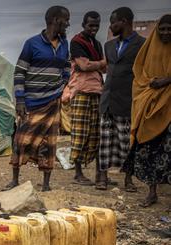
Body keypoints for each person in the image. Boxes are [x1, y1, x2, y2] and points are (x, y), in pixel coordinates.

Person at [6, 6, 70, 192]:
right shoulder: (32, 43)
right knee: (21, 140)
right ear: (55, 20)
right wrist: (20, 99)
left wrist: (61, 85)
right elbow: (19, 72)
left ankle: (46, 183)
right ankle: (15, 180)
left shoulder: (65, 44)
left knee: (49, 143)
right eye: (65, 20)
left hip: (53, 102)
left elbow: (67, 66)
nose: (67, 23)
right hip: (32, 102)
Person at [122, 14, 171, 207]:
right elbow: (139, 74)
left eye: (170, 29)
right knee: (151, 148)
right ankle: (152, 193)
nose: (166, 32)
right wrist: (151, 84)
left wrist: (167, 80)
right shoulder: (148, 49)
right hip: (150, 104)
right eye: (163, 29)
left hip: (169, 108)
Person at [96, 7, 146, 191]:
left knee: (127, 142)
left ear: (124, 21)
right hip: (107, 99)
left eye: (113, 22)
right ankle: (102, 177)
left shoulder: (142, 44)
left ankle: (128, 180)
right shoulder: (109, 46)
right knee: (105, 142)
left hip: (127, 100)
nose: (111, 26)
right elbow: (109, 70)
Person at [67, 11, 106, 185]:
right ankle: (78, 173)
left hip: (97, 90)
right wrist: (101, 63)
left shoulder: (96, 43)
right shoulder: (77, 42)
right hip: (81, 91)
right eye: (91, 25)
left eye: (96, 25)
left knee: (97, 134)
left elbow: (101, 69)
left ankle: (100, 174)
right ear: (84, 24)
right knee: (80, 132)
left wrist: (95, 65)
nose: (94, 28)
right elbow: (83, 66)